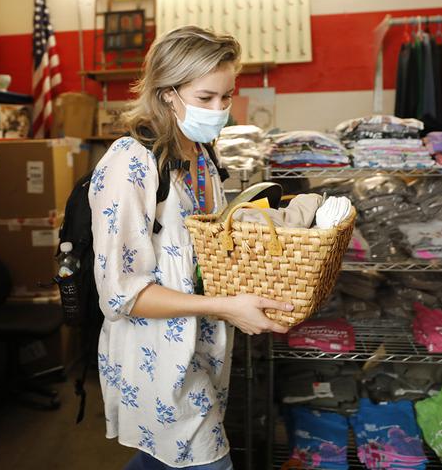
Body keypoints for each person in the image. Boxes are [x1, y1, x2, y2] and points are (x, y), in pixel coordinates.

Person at [89, 25, 293, 469]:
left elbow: (202, 247)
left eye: (227, 96)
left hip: (201, 348)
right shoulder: (131, 164)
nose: (220, 109)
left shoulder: (202, 155)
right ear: (167, 93)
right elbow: (122, 293)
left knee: (160, 460)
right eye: (206, 98)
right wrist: (225, 306)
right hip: (157, 356)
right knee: (205, 460)